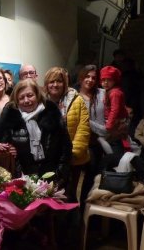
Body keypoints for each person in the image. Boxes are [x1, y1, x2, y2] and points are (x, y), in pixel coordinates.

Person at [0, 79, 72, 183]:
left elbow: (66, 148)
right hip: (23, 179)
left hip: (53, 177)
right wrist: (20, 177)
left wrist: (59, 174)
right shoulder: (10, 119)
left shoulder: (52, 113)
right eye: (21, 98)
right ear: (16, 100)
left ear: (37, 95)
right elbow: (5, 151)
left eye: (30, 95)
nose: (26, 100)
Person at [44, 67, 90, 202]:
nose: (55, 84)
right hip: (49, 158)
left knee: (69, 194)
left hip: (72, 159)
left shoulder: (77, 100)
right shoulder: (41, 102)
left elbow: (83, 130)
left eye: (59, 81)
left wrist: (71, 154)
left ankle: (71, 221)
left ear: (64, 83)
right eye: (51, 81)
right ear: (46, 84)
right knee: (48, 193)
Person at [77, 65, 109, 206]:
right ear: (81, 77)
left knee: (94, 177)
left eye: (93, 77)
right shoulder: (74, 96)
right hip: (83, 141)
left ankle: (87, 208)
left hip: (101, 142)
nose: (90, 80)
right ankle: (76, 212)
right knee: (78, 176)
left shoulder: (103, 93)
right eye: (87, 76)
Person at [100, 65, 130, 153]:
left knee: (116, 142)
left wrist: (109, 125)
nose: (105, 82)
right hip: (115, 122)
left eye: (109, 80)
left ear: (115, 81)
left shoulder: (115, 93)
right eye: (103, 80)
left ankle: (118, 160)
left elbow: (115, 110)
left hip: (117, 123)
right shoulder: (109, 91)